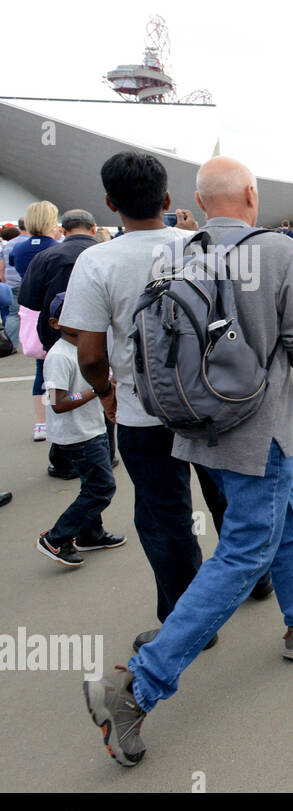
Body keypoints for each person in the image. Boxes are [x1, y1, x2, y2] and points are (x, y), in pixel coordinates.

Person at [82, 156, 293, 768]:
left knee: (282, 509)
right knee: (245, 549)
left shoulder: (177, 254)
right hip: (255, 425)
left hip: (194, 418)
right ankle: (137, 687)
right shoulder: (278, 252)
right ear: (252, 196)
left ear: (201, 203)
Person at [61, 152, 272, 656]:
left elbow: (89, 352)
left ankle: (189, 621)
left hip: (143, 410)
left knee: (165, 515)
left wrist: (108, 393)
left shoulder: (96, 260)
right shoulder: (201, 247)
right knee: (225, 495)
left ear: (110, 203)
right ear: (169, 199)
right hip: (209, 403)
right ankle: (254, 580)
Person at [34, 293, 123, 568]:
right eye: (69, 314)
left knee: (92, 483)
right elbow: (56, 403)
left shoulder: (84, 350)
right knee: (101, 487)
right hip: (77, 436)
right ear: (55, 322)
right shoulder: (60, 357)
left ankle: (91, 534)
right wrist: (97, 389)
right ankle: (56, 537)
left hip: (92, 428)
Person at [19, 208, 101, 479]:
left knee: (55, 388)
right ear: (93, 228)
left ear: (63, 230)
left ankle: (63, 458)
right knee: (99, 387)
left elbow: (29, 300)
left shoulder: (45, 256)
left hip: (58, 337)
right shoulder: (104, 252)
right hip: (98, 335)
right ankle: (103, 453)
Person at [11, 201, 61, 443]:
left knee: (40, 371)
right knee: (60, 369)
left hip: (30, 311)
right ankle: (57, 414)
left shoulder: (18, 250)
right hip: (53, 313)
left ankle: (41, 423)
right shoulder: (56, 248)